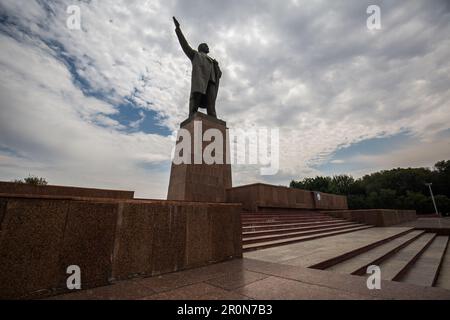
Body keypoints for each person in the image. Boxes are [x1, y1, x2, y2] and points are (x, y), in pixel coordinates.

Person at [173, 17, 222, 118]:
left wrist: (217, 67)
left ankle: (214, 121)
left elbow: (219, 75)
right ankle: (192, 118)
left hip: (211, 83)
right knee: (195, 104)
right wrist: (178, 29)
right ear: (200, 48)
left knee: (211, 107)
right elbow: (184, 45)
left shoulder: (213, 61)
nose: (208, 47)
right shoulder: (196, 55)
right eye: (205, 45)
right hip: (200, 81)